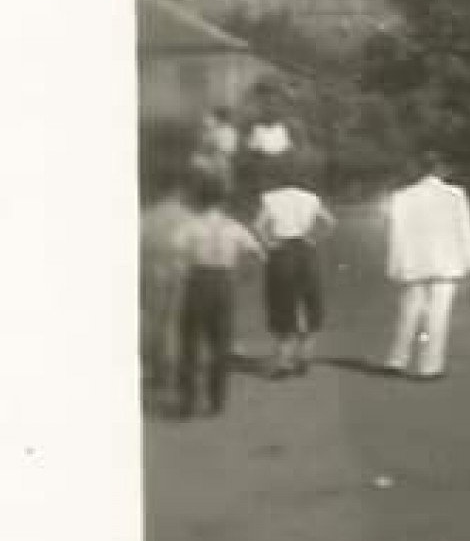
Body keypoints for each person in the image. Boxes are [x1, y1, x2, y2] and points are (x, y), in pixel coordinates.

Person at [382, 148, 470, 381]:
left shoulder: (401, 196)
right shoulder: (455, 195)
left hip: (414, 262)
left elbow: (395, 235)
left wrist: (395, 265)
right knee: (438, 315)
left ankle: (396, 360)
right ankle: (429, 367)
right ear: (440, 169)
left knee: (409, 311)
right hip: (445, 262)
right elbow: (465, 228)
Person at [170, 175, 264, 418]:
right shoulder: (234, 227)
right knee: (220, 343)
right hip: (224, 283)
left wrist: (183, 275)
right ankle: (216, 400)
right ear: (223, 201)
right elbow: (257, 253)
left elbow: (176, 257)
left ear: (199, 200)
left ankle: (188, 401)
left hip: (198, 281)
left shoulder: (190, 226)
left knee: (190, 342)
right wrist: (244, 276)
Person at [252, 160, 336, 378]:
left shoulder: (270, 198)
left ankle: (283, 360)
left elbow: (258, 226)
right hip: (305, 250)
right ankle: (304, 354)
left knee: (281, 304)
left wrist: (270, 244)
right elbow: (329, 222)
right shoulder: (310, 198)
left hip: (282, 252)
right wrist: (313, 238)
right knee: (311, 302)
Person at [139, 172, 196, 410]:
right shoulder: (188, 216)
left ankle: (154, 367)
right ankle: (170, 368)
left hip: (153, 269)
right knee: (174, 321)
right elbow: (194, 247)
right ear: (178, 192)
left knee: (153, 319)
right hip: (180, 270)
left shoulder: (147, 216)